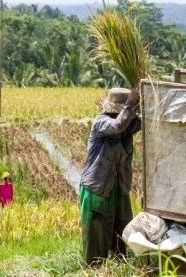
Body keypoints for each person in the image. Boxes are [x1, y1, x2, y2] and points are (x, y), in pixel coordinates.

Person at [79, 86, 141, 266]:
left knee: (122, 231)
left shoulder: (127, 127)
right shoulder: (101, 122)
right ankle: (94, 270)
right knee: (98, 238)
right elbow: (117, 125)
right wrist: (131, 102)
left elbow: (141, 122)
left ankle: (119, 266)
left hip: (119, 188)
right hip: (98, 190)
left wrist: (148, 102)